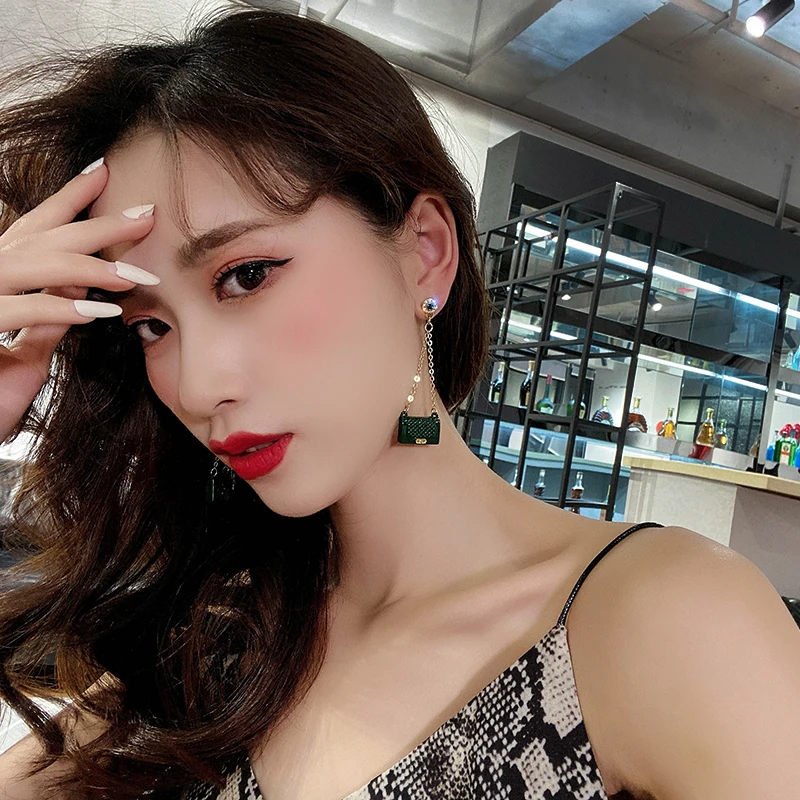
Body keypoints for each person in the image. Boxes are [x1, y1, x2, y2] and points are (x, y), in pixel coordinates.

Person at [0, 6, 797, 800]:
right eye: (151, 326)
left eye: (246, 276)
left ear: (424, 253)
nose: (200, 385)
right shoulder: (219, 649)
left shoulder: (660, 624)